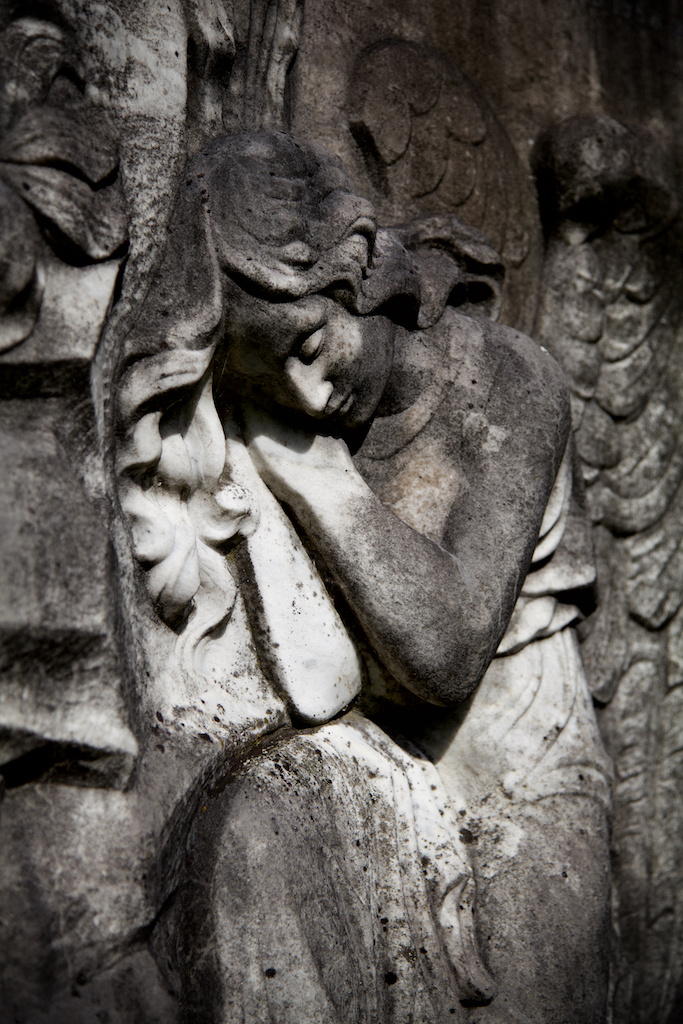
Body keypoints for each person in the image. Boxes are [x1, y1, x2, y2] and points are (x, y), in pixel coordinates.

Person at [118, 131, 612, 1023]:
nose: (306, 397)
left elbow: (446, 653)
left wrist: (315, 475)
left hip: (520, 797)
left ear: (362, 279)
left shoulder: (507, 381)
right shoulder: (262, 425)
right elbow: (310, 677)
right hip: (377, 771)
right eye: (268, 381)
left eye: (310, 342)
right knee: (258, 840)